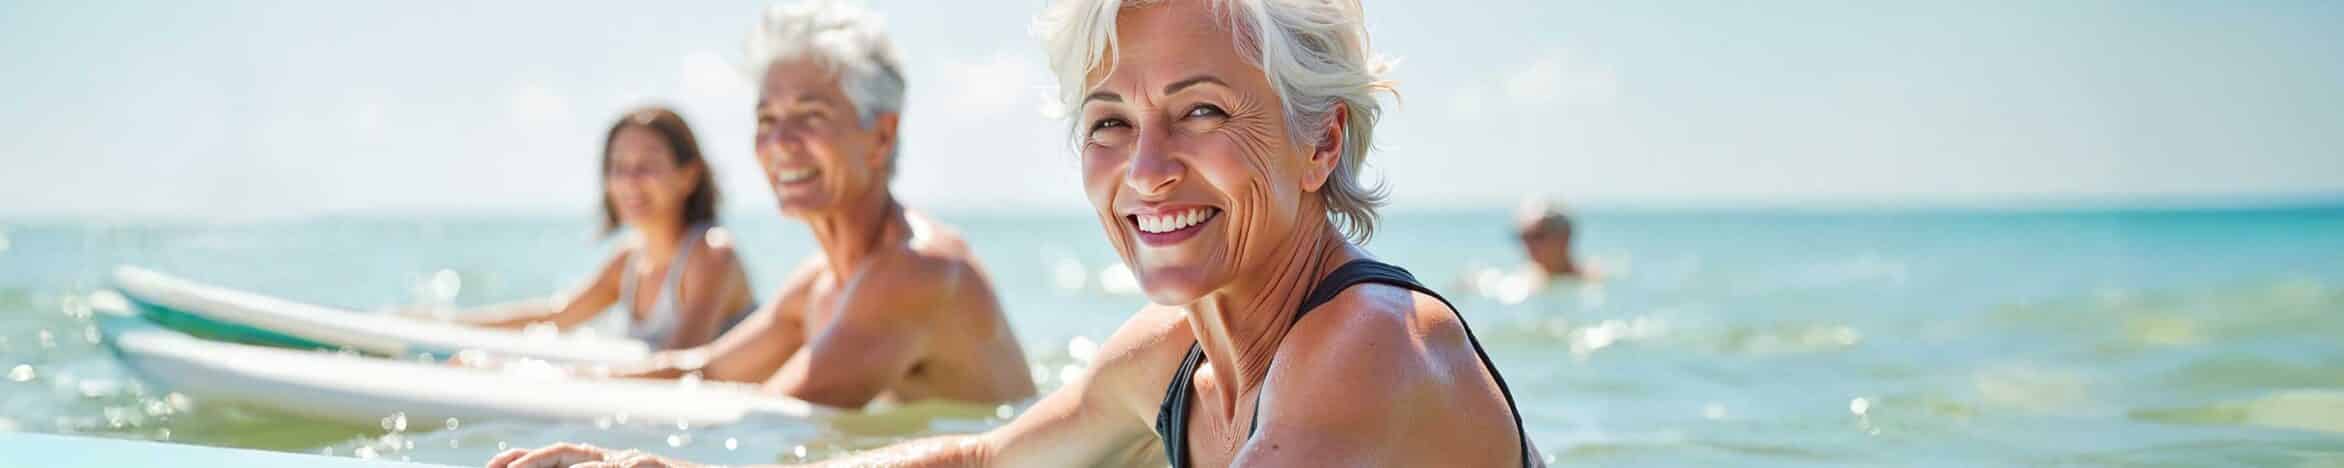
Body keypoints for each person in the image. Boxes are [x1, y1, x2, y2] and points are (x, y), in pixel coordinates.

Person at [489, 0, 1540, 466]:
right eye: (1110, 123)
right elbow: (985, 462)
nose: (1146, 169)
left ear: (1320, 145)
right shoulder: (1172, 358)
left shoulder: (1371, 349)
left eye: (1204, 111)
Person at [570, 0, 1036, 411]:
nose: (781, 143)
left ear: (881, 136)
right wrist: (559, 386)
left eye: (811, 116)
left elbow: (768, 423)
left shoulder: (919, 270)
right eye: (767, 119)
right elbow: (704, 372)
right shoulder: (819, 282)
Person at [427, 106, 756, 351]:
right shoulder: (629, 260)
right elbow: (556, 316)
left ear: (689, 176)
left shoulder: (712, 255)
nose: (630, 182)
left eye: (647, 166)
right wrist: (444, 326)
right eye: (618, 167)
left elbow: (682, 365)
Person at [1514, 197, 1586, 279]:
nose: (1529, 244)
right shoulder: (1521, 281)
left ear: (1564, 236)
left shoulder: (1592, 280)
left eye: (1538, 236)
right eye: (1524, 236)